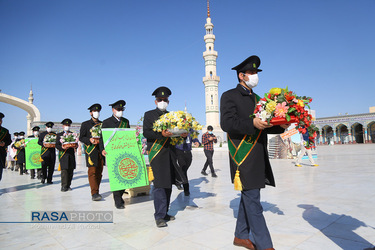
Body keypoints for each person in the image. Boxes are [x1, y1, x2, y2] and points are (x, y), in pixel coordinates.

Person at [220, 55, 290, 250]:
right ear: (241, 76)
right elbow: (226, 123)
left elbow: (266, 126)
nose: (254, 76)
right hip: (243, 155)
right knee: (253, 200)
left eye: (255, 73)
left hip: (258, 153)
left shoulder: (260, 100)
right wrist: (251, 123)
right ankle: (265, 245)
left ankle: (240, 236)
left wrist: (282, 125)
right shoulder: (229, 96)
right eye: (251, 73)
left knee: (250, 196)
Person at [143, 86, 188, 228]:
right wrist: (161, 134)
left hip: (170, 153)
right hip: (157, 154)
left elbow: (175, 136)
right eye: (160, 99)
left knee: (168, 183)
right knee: (160, 185)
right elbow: (147, 133)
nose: (163, 101)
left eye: (165, 99)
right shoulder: (149, 115)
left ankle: (165, 212)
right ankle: (159, 216)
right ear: (155, 101)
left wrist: (182, 134)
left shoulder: (172, 116)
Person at [99, 100, 130, 209]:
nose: (120, 111)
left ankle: (120, 195)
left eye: (122, 109)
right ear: (113, 110)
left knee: (124, 175)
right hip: (112, 152)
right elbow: (102, 137)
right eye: (118, 109)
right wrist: (102, 149)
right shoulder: (107, 122)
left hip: (123, 152)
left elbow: (128, 136)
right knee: (115, 176)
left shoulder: (126, 122)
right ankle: (117, 200)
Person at [79, 103, 104, 201]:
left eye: (98, 111)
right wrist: (89, 140)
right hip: (91, 151)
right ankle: (94, 193)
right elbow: (81, 137)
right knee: (92, 171)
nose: (96, 113)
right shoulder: (85, 124)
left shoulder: (102, 124)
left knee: (99, 172)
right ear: (90, 113)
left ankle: (97, 190)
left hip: (100, 151)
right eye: (94, 111)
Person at [175, 129, 201, 196]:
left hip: (188, 153)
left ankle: (178, 180)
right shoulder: (178, 128)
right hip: (179, 151)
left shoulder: (191, 130)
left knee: (184, 169)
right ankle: (186, 190)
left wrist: (196, 142)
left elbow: (194, 137)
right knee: (183, 169)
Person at [56, 119, 78, 192]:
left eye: (68, 125)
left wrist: (75, 146)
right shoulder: (59, 135)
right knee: (64, 171)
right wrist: (62, 147)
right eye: (66, 125)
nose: (67, 127)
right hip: (63, 155)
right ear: (63, 126)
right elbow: (57, 145)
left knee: (71, 171)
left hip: (71, 155)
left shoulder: (72, 134)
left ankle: (68, 185)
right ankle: (63, 186)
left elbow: (76, 144)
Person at [0, 113, 12, 181]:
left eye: (1, 120)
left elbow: (9, 141)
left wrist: (4, 143)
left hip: (1, 154)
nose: (0, 121)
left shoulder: (5, 131)